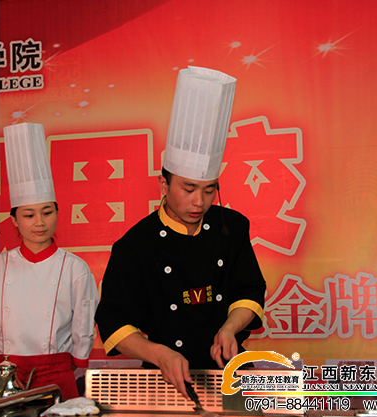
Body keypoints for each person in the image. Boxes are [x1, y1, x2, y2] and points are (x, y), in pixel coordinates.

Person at [95, 66, 266, 399]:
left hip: (231, 373)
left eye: (209, 190)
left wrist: (230, 327)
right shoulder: (135, 245)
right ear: (164, 184)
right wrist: (159, 353)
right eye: (188, 189)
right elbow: (114, 322)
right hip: (165, 378)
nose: (199, 202)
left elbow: (249, 292)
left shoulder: (232, 227)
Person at [0, 122, 99, 400]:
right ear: (14, 221)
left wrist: (78, 361)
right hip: (7, 375)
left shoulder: (74, 268)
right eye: (29, 215)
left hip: (58, 373)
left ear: (57, 212)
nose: (39, 223)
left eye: (47, 212)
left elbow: (84, 322)